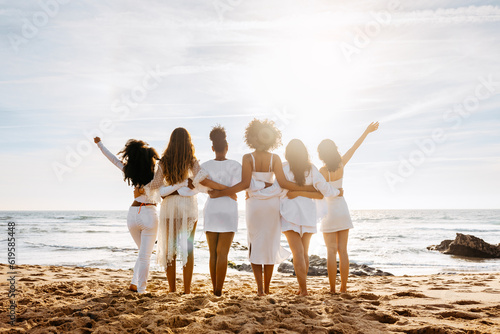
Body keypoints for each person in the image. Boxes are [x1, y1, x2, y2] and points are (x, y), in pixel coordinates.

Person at [209, 119, 318, 296]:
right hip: (272, 205)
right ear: (271, 138)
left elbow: (245, 183)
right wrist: (304, 189)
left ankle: (259, 289)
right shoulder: (275, 158)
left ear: (252, 137)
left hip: (254, 205)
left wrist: (222, 193)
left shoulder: (247, 158)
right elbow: (282, 183)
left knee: (254, 243)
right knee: (270, 244)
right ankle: (267, 288)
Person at [94, 137, 161, 294]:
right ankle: (141, 290)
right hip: (149, 213)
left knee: (142, 252)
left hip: (132, 215)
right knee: (145, 256)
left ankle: (133, 282)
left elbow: (113, 159)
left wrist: (100, 144)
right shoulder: (156, 174)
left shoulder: (131, 171)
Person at [318, 121, 379, 293]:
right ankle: (344, 287)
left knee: (330, 252)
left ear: (321, 154)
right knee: (343, 251)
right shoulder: (341, 164)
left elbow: (320, 192)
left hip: (328, 212)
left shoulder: (322, 171)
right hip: (342, 210)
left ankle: (332, 289)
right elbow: (355, 147)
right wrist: (366, 131)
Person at [141, 127, 203, 294]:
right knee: (187, 249)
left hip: (170, 206)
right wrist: (188, 183)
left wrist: (144, 188)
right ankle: (187, 290)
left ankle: (172, 289)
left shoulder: (164, 161)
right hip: (188, 206)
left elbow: (155, 184)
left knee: (170, 248)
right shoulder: (192, 161)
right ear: (188, 142)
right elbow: (200, 179)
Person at [280, 139, 342, 296]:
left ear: (288, 153)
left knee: (297, 253)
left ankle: (304, 290)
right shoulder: (311, 169)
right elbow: (323, 191)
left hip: (289, 213)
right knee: (304, 252)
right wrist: (336, 192)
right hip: (308, 213)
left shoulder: (284, 168)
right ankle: (302, 288)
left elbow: (276, 188)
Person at [194, 125, 242, 296]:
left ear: (213, 148)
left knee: (212, 253)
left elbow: (200, 184)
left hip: (212, 209)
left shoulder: (205, 166)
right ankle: (219, 290)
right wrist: (226, 192)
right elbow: (240, 186)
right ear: (227, 147)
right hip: (229, 208)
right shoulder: (236, 165)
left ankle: (214, 289)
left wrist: (216, 193)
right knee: (223, 254)